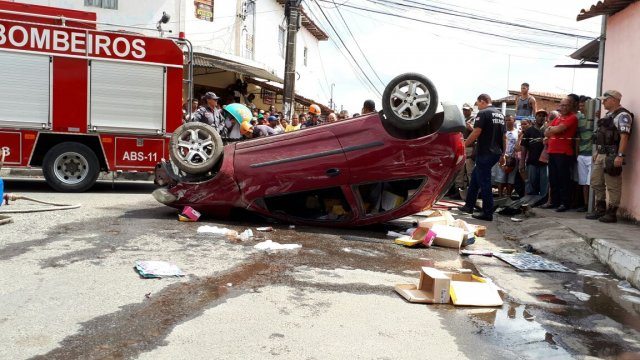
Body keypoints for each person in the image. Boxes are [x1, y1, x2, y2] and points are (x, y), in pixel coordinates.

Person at [586, 90, 634, 223]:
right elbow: (602, 136)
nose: (603, 102)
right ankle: (600, 209)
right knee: (596, 182)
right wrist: (597, 152)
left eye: (605, 100)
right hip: (602, 154)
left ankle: (612, 213)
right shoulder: (608, 115)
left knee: (613, 184)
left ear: (614, 99)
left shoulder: (623, 115)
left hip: (612, 155)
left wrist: (620, 155)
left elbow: (624, 137)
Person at [458, 94, 505, 221]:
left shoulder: (483, 113)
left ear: (482, 101)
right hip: (495, 153)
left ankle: (487, 213)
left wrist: (463, 145)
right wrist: (503, 154)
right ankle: (469, 205)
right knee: (475, 178)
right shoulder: (500, 115)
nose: (477, 107)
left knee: (484, 182)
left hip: (485, 152)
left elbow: (476, 132)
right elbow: (503, 136)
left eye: (478, 104)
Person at [542, 95, 579, 212]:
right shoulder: (558, 118)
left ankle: (565, 202)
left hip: (563, 153)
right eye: (561, 105)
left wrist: (552, 130)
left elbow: (557, 130)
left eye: (566, 105)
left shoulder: (572, 118)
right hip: (552, 152)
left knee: (563, 179)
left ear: (571, 106)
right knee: (553, 179)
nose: (563, 107)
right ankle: (554, 201)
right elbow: (546, 132)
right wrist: (552, 130)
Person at [518, 109, 549, 199]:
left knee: (544, 187)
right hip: (532, 163)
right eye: (539, 115)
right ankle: (530, 205)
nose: (541, 118)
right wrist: (521, 163)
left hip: (545, 164)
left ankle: (542, 204)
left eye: (543, 116)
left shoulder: (548, 130)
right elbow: (523, 148)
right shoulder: (529, 131)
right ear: (535, 117)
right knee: (531, 187)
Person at [575, 96, 593, 212]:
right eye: (580, 105)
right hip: (581, 154)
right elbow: (576, 137)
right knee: (583, 182)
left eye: (583, 105)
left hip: (592, 154)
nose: (581, 107)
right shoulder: (578, 118)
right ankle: (586, 205)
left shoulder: (595, 117)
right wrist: (577, 154)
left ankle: (593, 205)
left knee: (591, 181)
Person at [454, 103, 475, 199]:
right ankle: (460, 190)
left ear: (471, 110)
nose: (465, 111)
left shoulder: (474, 119)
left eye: (467, 110)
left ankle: (472, 191)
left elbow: (477, 132)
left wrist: (470, 127)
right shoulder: (462, 119)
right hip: (461, 146)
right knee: (460, 170)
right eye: (464, 110)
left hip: (470, 147)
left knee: (470, 170)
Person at [494, 114, 518, 197]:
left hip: (513, 158)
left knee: (511, 179)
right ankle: (500, 196)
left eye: (509, 120)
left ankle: (509, 196)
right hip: (502, 157)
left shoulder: (517, 132)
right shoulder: (501, 131)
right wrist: (502, 155)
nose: (507, 122)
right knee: (501, 178)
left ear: (514, 121)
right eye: (506, 120)